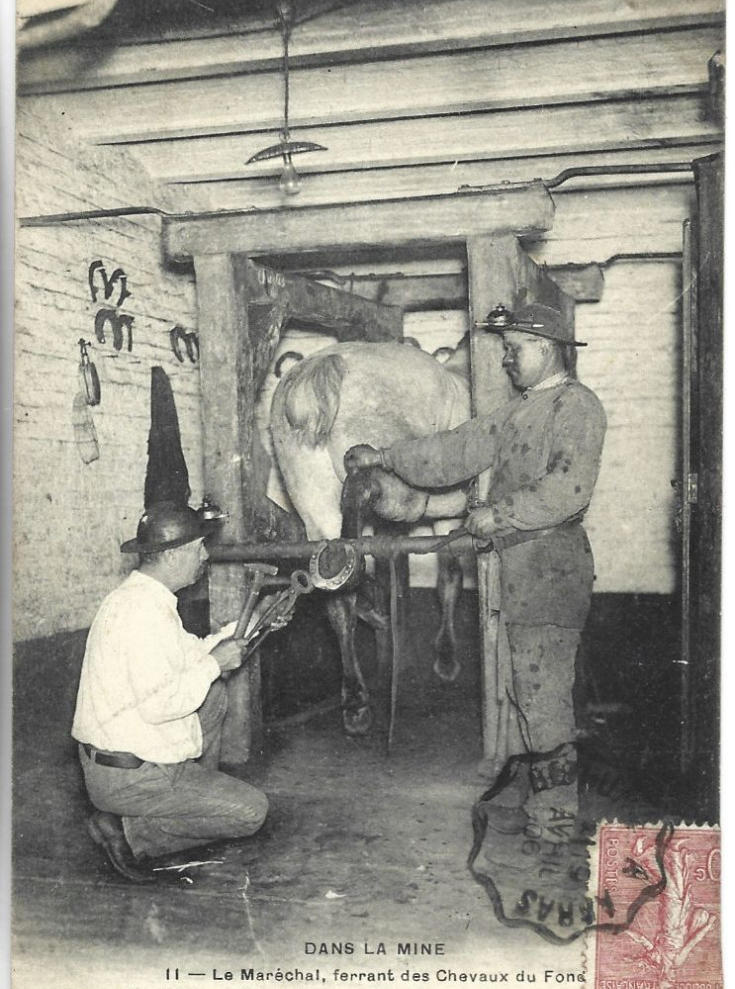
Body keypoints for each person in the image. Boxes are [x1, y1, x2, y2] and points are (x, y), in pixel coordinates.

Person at [345, 303, 606, 837]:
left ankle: (554, 813)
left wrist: (498, 513)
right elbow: (455, 450)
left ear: (547, 349)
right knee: (525, 688)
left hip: (550, 566)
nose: (507, 358)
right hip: (518, 565)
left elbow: (567, 489)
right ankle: (539, 793)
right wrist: (386, 457)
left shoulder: (576, 407)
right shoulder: (518, 410)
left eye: (515, 348)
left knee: (542, 692)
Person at [72, 501, 288, 883]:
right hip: (128, 776)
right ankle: (128, 832)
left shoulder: (145, 599)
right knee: (251, 812)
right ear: (174, 555)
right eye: (198, 548)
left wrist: (259, 618)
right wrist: (214, 664)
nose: (204, 556)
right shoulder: (141, 614)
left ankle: (188, 796)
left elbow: (197, 652)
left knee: (214, 693)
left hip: (128, 757)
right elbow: (162, 704)